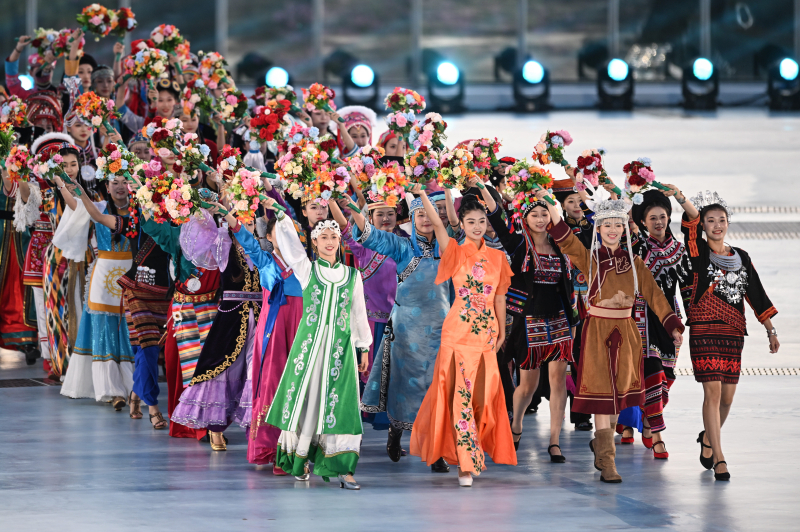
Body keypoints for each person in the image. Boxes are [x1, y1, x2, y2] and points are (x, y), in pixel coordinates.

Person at [542, 191, 684, 483]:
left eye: (617, 224)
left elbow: (655, 295)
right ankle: (608, 461)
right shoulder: (589, 258)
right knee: (602, 397)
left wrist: (672, 326)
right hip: (596, 332)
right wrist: (550, 204)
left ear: (624, 228)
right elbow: (566, 239)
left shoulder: (635, 263)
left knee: (619, 398)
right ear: (598, 228)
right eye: (606, 224)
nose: (612, 229)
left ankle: (602, 444)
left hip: (627, 333)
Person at [409, 191, 516, 487]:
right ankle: (464, 463)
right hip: (457, 332)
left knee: (484, 396)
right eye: (471, 222)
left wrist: (502, 330)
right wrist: (422, 193)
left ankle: (472, 452)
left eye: (482, 221)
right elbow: (437, 223)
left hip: (486, 335)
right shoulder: (454, 250)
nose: (478, 226)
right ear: (463, 224)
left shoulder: (498, 257)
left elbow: (500, 297)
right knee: (460, 396)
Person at [265, 201, 371, 489]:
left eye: (333, 237)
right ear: (314, 241)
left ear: (339, 241)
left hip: (340, 351)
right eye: (323, 237)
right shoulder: (307, 269)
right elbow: (290, 245)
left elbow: (358, 313)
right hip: (310, 351)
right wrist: (281, 214)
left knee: (342, 404)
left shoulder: (352, 275)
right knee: (307, 404)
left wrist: (363, 346)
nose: (329, 241)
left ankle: (343, 468)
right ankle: (300, 459)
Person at [677, 189, 778, 481]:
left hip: (733, 333)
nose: (717, 225)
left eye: (721, 220)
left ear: (728, 223)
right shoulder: (698, 253)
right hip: (704, 331)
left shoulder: (741, 257)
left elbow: (756, 294)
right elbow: (690, 225)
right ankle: (720, 458)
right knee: (713, 392)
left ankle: (708, 438)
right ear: (703, 225)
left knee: (727, 399)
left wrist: (770, 330)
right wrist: (681, 198)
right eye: (710, 221)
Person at [474, 182, 577, 462]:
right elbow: (496, 216)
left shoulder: (562, 245)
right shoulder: (520, 245)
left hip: (559, 319)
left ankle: (554, 441)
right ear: (525, 219)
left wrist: (547, 199)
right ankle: (516, 424)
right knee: (528, 386)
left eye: (545, 214)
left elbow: (567, 282)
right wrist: (482, 187)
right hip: (529, 320)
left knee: (558, 381)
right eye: (535, 215)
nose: (541, 219)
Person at [353, 190, 452, 472]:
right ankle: (395, 430)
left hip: (443, 330)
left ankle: (436, 452)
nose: (426, 220)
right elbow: (370, 235)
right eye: (419, 215)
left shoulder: (449, 247)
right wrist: (353, 207)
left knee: (439, 389)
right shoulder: (402, 246)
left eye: (430, 214)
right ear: (412, 218)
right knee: (404, 386)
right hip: (407, 331)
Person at [171, 208, 258, 451]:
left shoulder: (262, 250)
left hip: (260, 317)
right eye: (241, 221)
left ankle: (255, 429)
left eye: (250, 222)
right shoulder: (224, 246)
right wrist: (210, 209)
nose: (246, 226)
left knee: (256, 370)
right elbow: (200, 232)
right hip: (231, 318)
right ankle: (215, 428)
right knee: (222, 369)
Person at [614, 189, 691, 457]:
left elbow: (687, 288)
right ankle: (657, 435)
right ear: (643, 222)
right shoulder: (637, 246)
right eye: (652, 218)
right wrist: (629, 193)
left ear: (669, 218)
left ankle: (645, 418)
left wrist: (692, 320)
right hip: (639, 318)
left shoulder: (679, 250)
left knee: (666, 377)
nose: (658, 222)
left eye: (662, 217)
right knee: (651, 374)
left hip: (668, 318)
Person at [228, 211, 303, 474]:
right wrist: (228, 216)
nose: (287, 237)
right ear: (268, 237)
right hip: (274, 329)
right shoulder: (265, 259)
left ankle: (298, 449)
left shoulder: (306, 264)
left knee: (299, 385)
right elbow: (247, 241)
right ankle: (274, 450)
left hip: (301, 327)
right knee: (273, 385)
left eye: (291, 232)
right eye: (280, 232)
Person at [140, 205, 221, 439]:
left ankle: (210, 422)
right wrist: (144, 198)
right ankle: (193, 423)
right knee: (187, 367)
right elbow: (153, 227)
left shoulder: (222, 238)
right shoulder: (178, 235)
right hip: (185, 310)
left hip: (212, 310)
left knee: (211, 368)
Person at [60, 175, 135, 409]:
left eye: (124, 181)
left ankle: (134, 387)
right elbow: (75, 205)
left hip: (133, 273)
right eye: (114, 182)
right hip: (104, 275)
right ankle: (111, 390)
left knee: (130, 329)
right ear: (107, 187)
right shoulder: (99, 207)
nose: (120, 186)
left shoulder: (142, 209)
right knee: (104, 330)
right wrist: (63, 184)